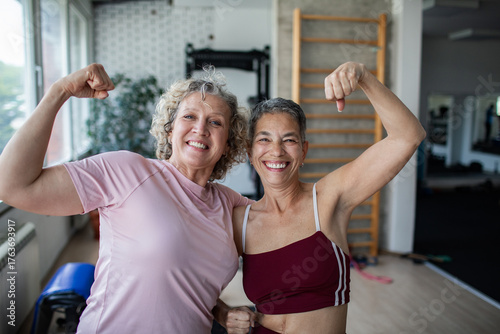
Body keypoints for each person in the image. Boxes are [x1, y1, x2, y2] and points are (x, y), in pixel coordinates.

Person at [0, 63, 254, 333]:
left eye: (215, 122)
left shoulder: (232, 204)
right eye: (189, 117)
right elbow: (12, 185)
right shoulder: (127, 171)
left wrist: (221, 310)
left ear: (228, 144)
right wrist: (59, 91)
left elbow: (186, 283)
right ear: (170, 130)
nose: (201, 129)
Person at [225, 61, 426, 333]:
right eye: (264, 139)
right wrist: (223, 312)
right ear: (250, 152)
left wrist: (362, 75)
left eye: (289, 140)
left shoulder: (331, 198)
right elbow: (189, 282)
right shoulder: (240, 220)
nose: (276, 151)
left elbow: (408, 136)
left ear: (303, 150)